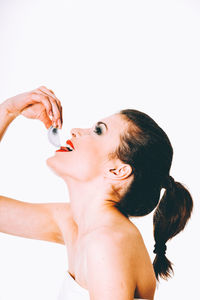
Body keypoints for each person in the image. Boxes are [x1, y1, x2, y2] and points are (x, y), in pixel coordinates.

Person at [0, 86, 193, 300]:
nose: (75, 130)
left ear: (118, 171)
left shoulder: (107, 242)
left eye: (98, 130)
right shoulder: (75, 224)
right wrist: (8, 110)